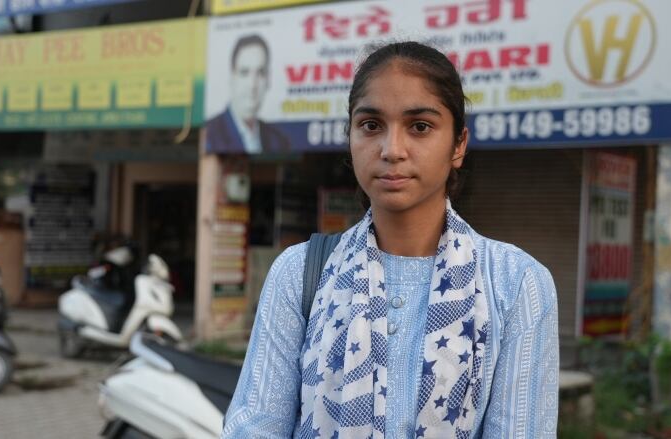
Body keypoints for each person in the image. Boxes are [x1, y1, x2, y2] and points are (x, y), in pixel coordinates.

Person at [222, 42, 558, 438]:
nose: (391, 150)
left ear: (459, 145)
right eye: (371, 125)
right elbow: (255, 429)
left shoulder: (515, 284)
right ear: (350, 136)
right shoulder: (299, 275)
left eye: (420, 126)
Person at [206, 34, 290, 154]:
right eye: (244, 72)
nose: (253, 85)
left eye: (260, 73)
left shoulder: (278, 141)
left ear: (268, 79)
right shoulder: (210, 134)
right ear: (232, 77)